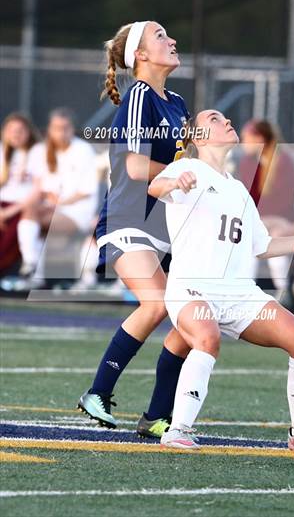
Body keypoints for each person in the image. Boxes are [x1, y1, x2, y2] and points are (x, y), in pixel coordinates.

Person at [147, 110, 294, 451]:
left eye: (226, 118)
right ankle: (177, 430)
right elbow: (155, 186)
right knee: (207, 338)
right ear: (199, 137)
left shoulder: (239, 189)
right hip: (192, 289)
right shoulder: (188, 168)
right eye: (215, 118)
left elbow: (265, 246)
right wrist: (173, 183)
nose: (226, 121)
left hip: (239, 294)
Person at [78, 21, 191, 435]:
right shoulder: (139, 96)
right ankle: (97, 392)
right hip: (128, 222)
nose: (172, 40)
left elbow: (187, 165)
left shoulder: (177, 102)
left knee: (191, 319)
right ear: (140, 56)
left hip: (168, 227)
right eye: (161, 36)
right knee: (156, 303)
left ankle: (156, 416)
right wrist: (181, 174)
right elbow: (136, 167)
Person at [15, 108, 98, 289]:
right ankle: (32, 269)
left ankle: (32, 268)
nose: (61, 132)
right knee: (31, 215)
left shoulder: (83, 150)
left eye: (65, 127)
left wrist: (59, 203)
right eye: (56, 127)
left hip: (77, 213)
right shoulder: (40, 150)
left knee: (35, 219)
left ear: (71, 128)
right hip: (49, 210)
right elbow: (39, 188)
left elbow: (86, 191)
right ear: (49, 129)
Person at [239, 120, 294, 300]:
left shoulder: (284, 161)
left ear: (259, 138)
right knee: (247, 236)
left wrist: (265, 219)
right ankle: (244, 289)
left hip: (285, 220)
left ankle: (283, 290)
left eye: (246, 138)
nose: (242, 143)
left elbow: (287, 201)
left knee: (273, 237)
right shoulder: (246, 163)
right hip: (262, 220)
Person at [0, 113, 40, 275]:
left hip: (21, 207)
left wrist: (9, 212)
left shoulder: (38, 152)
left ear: (28, 132)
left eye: (20, 130)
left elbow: (39, 190)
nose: (15, 134)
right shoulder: (3, 151)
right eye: (12, 130)